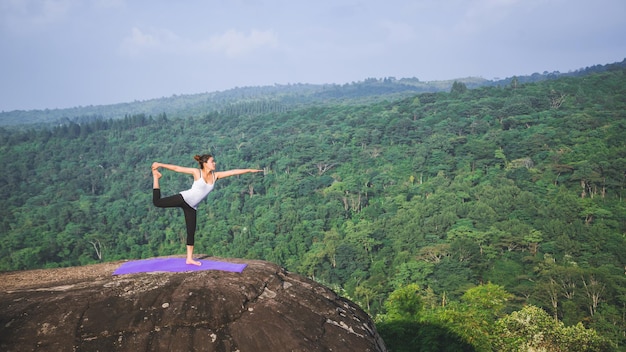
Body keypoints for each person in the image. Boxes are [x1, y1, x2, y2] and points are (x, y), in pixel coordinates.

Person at [151, 154, 263, 266]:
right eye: (212, 161)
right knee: (157, 202)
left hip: (192, 207)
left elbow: (233, 172)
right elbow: (177, 168)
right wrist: (160, 164)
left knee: (191, 232)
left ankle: (189, 258)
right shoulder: (197, 172)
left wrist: (249, 170)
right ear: (205, 164)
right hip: (184, 198)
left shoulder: (216, 176)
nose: (214, 163)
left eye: (214, 161)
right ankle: (156, 177)